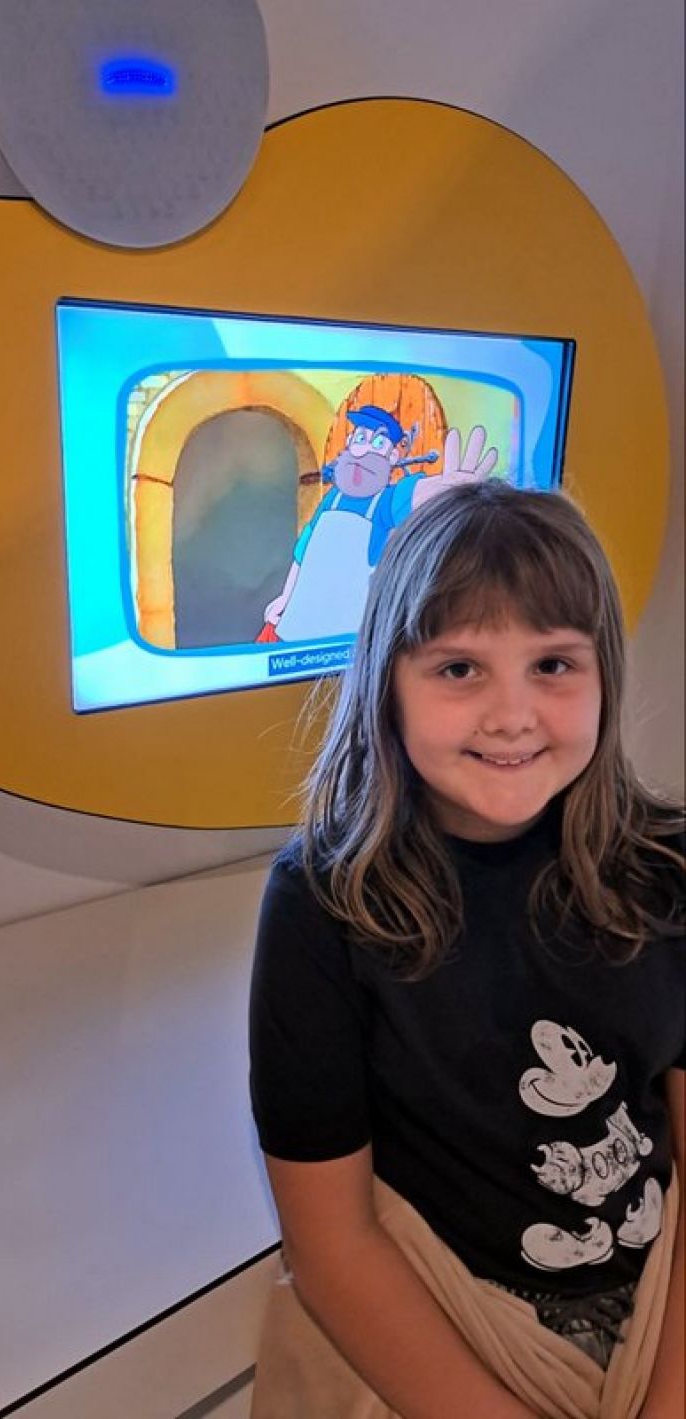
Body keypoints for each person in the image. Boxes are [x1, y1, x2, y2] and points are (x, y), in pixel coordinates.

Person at [248, 480, 684, 1419]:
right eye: (458, 669)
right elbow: (331, 1244)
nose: (511, 714)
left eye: (553, 664)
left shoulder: (669, 868)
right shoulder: (322, 905)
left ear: (604, 676)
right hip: (452, 1317)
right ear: (388, 685)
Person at [261, 407, 496, 643]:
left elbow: (415, 494)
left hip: (346, 639)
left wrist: (448, 486)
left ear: (392, 456)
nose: (365, 450)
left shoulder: (386, 503)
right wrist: (285, 598)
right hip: (295, 629)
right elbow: (303, 555)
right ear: (350, 442)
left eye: (378, 443)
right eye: (361, 439)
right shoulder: (331, 499)